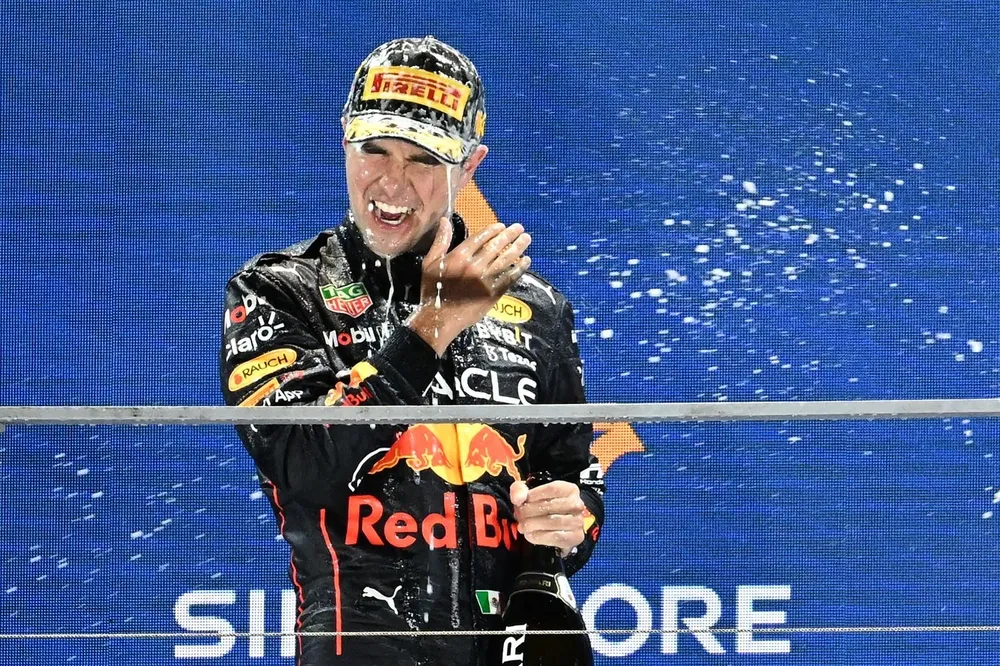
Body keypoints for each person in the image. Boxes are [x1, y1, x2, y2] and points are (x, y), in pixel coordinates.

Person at [219, 36, 605, 666]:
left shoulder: (537, 307)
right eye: (374, 149)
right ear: (346, 144)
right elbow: (305, 467)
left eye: (423, 158)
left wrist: (572, 518)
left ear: (470, 166)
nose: (390, 182)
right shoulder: (280, 291)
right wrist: (438, 323)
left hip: (507, 649)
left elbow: (573, 476)